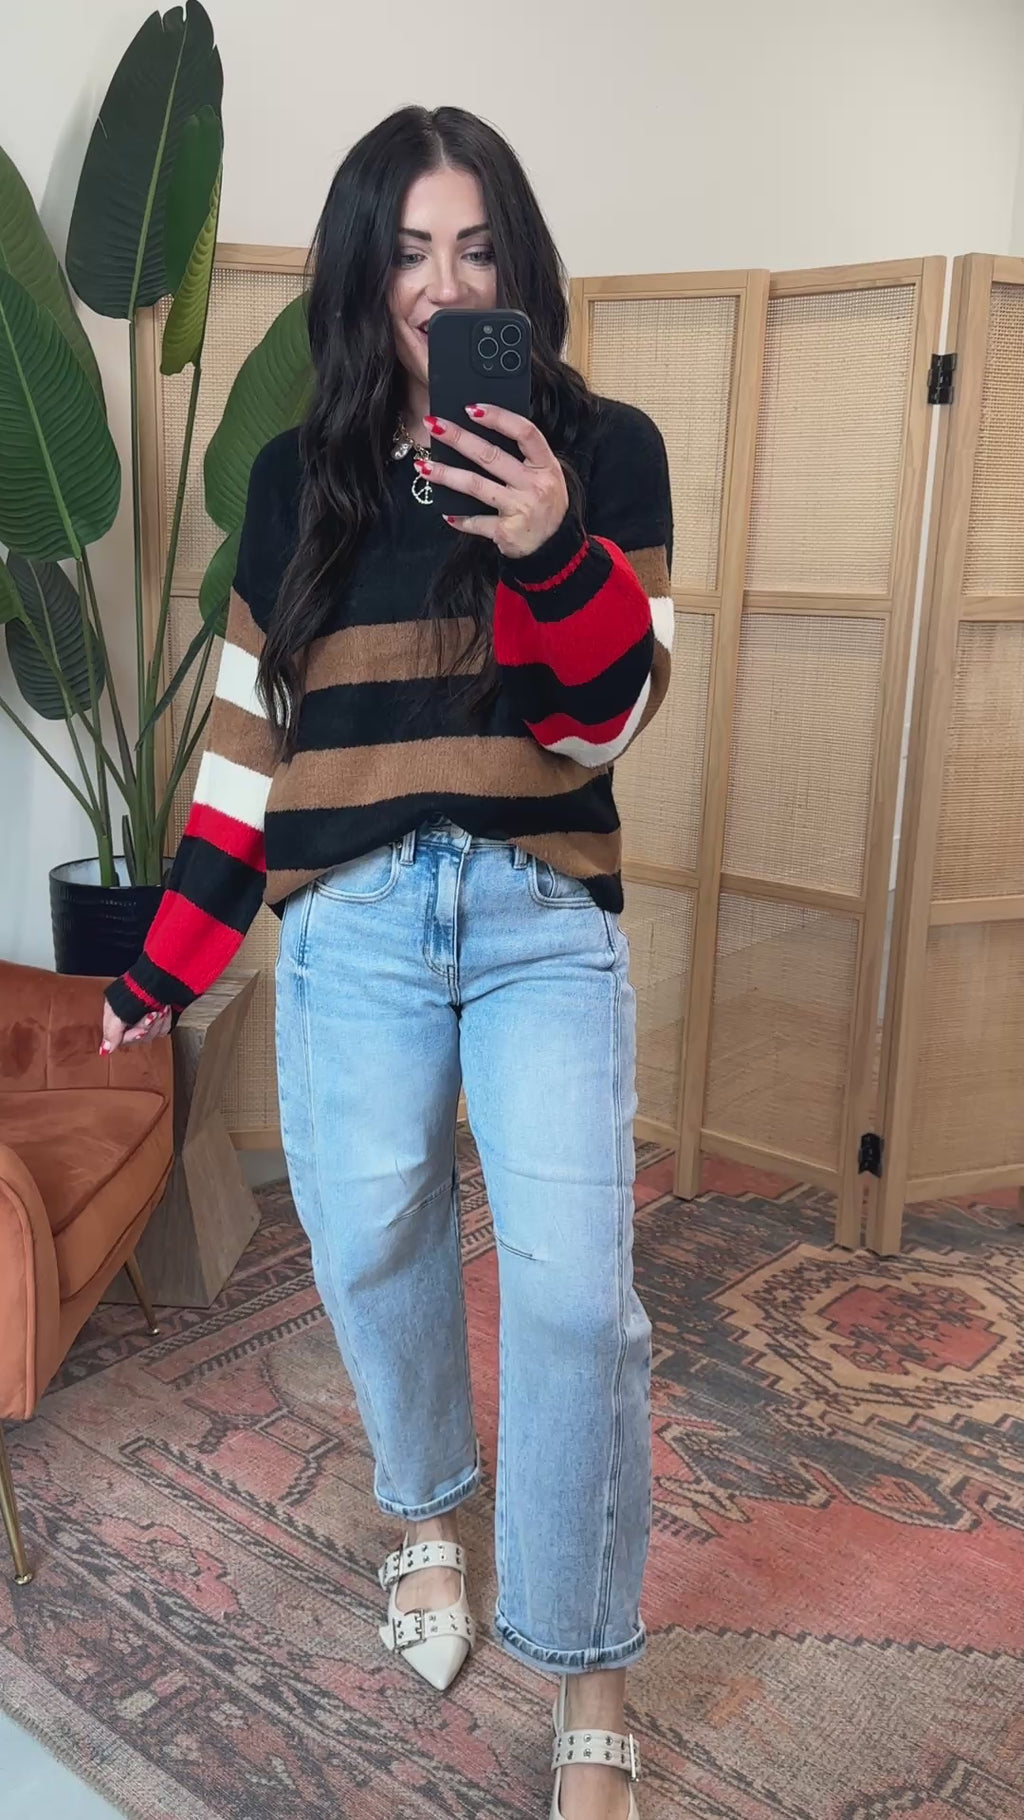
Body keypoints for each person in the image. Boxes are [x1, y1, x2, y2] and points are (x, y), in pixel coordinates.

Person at [101, 105, 673, 1820]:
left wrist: (548, 542)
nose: (446, 285)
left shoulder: (607, 454)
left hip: (539, 917)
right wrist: (164, 962)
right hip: (353, 921)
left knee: (576, 1297)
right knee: (371, 1247)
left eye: (478, 248)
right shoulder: (299, 479)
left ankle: (589, 1674)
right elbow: (247, 753)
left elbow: (603, 725)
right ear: (364, 274)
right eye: (411, 252)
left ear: (520, 264)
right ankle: (428, 1514)